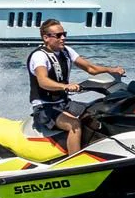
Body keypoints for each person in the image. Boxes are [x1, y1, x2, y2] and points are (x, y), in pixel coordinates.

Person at [28, 20, 125, 155]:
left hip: (64, 104)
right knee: (74, 124)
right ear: (46, 38)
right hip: (45, 108)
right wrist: (65, 86)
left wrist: (111, 70)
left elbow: (90, 68)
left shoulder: (66, 51)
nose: (63, 38)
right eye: (58, 35)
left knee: (96, 112)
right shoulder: (39, 56)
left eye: (64, 34)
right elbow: (43, 81)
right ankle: (75, 163)